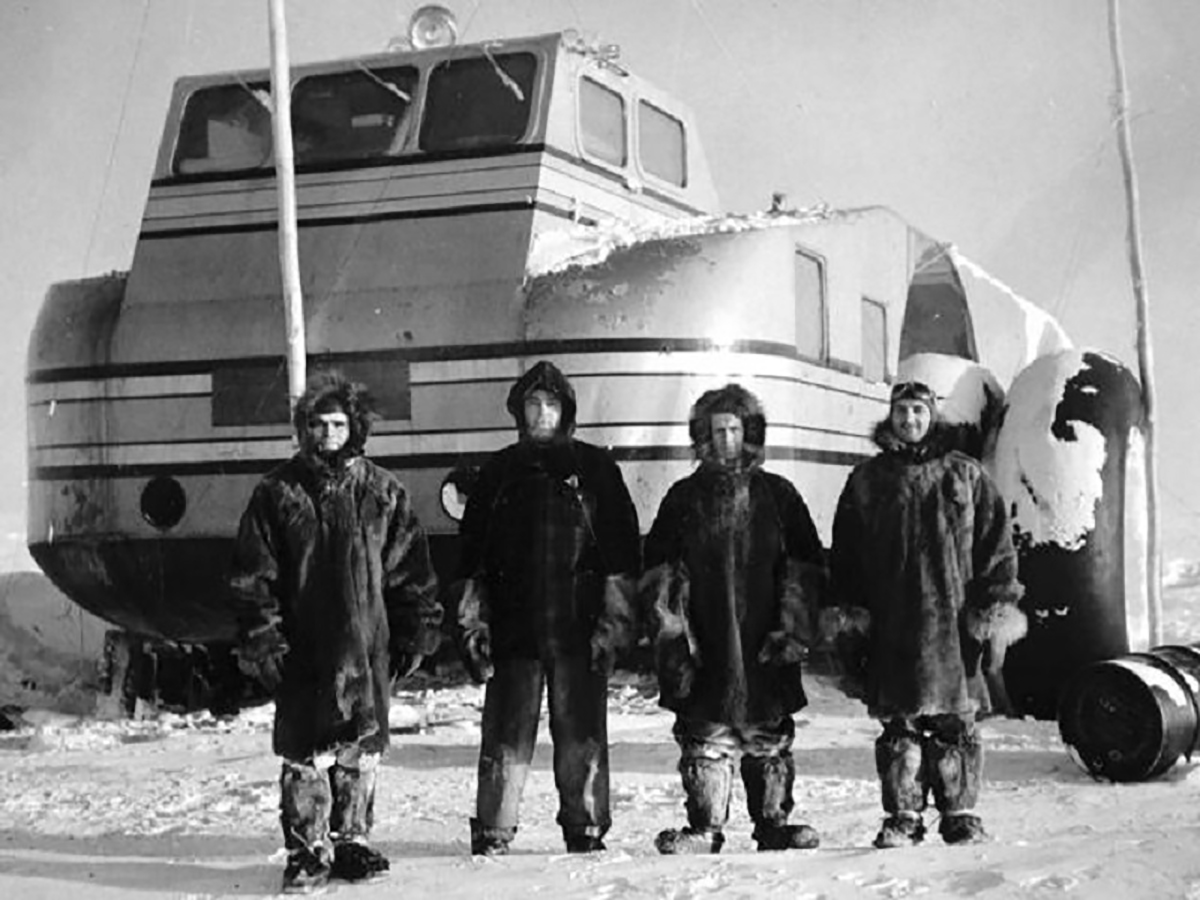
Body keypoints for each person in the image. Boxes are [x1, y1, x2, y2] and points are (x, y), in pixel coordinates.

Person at [230, 372, 443, 893]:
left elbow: (410, 573)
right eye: (318, 423)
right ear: (304, 428)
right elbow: (253, 578)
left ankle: (352, 842)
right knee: (304, 754)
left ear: (355, 427)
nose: (328, 433)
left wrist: (415, 635)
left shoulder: (383, 492)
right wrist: (265, 642)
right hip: (302, 651)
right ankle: (306, 852)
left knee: (359, 749)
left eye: (338, 423)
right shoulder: (276, 493)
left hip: (366, 649)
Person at [823, 380, 1026, 849]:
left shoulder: (966, 475)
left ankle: (960, 814)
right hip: (893, 626)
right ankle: (903, 816)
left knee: (956, 723)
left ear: (932, 415)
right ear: (890, 417)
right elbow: (847, 558)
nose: (909, 420)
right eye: (902, 412)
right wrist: (850, 619)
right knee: (901, 725)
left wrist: (992, 612)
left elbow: (997, 548)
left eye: (918, 410)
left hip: (954, 630)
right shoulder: (867, 480)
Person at [457, 360, 641, 856]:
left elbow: (621, 556)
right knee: (504, 736)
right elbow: (471, 559)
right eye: (533, 405)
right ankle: (494, 828)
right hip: (515, 628)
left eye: (551, 405)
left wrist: (614, 626)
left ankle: (585, 828)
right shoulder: (498, 472)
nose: (542, 413)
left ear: (567, 412)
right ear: (519, 411)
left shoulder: (596, 470)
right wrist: (474, 626)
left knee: (583, 737)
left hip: (578, 628)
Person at [641, 383, 826, 855]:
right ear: (703, 435)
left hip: (764, 637)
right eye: (717, 430)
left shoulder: (778, 495)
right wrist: (672, 636)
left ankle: (773, 826)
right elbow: (660, 573)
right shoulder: (684, 498)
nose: (726, 439)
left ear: (750, 433)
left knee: (768, 736)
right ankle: (705, 829)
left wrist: (792, 630)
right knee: (706, 735)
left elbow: (804, 568)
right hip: (707, 637)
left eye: (734, 429)